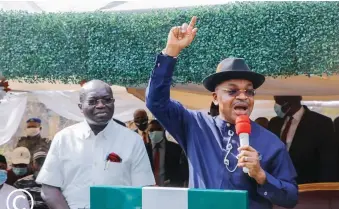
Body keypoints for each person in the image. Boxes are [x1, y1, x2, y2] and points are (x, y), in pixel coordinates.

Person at [145, 16, 297, 209]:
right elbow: (156, 102)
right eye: (232, 91)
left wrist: (261, 176)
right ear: (215, 97)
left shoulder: (271, 143)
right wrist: (171, 52)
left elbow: (290, 197)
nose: (243, 97)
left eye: (249, 91)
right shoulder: (195, 125)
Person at [36, 80, 155, 209]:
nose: (101, 105)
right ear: (80, 107)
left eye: (107, 100)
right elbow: (49, 189)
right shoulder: (63, 139)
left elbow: (143, 190)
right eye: (93, 101)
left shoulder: (133, 141)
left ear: (113, 102)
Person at [268, 96, 338, 184]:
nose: (276, 106)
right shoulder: (274, 122)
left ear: (290, 102)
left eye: (279, 102)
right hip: (277, 182)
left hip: (307, 183)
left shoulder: (321, 122)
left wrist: (325, 189)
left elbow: (328, 160)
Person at [148, 119, 188, 186]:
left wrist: (172, 181)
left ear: (163, 130)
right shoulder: (144, 149)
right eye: (152, 130)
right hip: (150, 188)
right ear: (148, 132)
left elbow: (182, 172)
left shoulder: (176, 148)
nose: (155, 132)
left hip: (171, 187)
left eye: (158, 129)